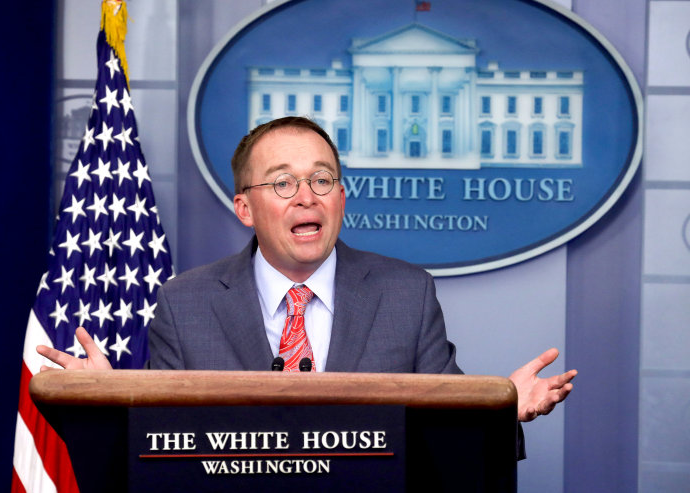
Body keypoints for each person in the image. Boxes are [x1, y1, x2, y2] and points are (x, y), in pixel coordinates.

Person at [38, 116, 576, 426]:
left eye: (322, 180)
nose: (305, 197)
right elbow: (161, 439)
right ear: (244, 208)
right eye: (281, 183)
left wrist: (503, 408)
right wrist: (107, 403)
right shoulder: (188, 301)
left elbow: (447, 428)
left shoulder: (405, 293)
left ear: (341, 197)